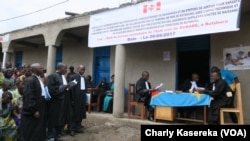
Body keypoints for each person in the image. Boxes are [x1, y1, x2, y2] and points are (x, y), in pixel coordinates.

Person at [19, 63, 47, 141]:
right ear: (35, 70)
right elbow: (29, 96)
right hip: (33, 111)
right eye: (41, 68)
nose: (43, 70)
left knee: (38, 130)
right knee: (31, 131)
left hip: (40, 108)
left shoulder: (38, 79)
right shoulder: (30, 80)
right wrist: (34, 110)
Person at [46, 63, 70, 141]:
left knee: (57, 118)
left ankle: (55, 135)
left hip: (59, 101)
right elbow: (52, 89)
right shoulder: (53, 76)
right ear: (60, 68)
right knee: (52, 119)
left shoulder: (61, 76)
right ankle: (51, 136)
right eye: (65, 68)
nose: (66, 70)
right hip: (53, 102)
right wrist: (64, 87)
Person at [69, 65, 87, 136]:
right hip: (76, 98)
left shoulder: (84, 78)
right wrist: (72, 99)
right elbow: (71, 88)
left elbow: (84, 88)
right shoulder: (74, 77)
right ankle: (72, 129)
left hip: (82, 98)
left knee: (81, 113)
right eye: (82, 69)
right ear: (78, 69)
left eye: (84, 69)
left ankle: (78, 127)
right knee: (74, 114)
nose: (83, 71)